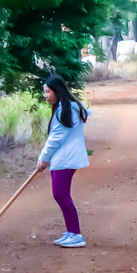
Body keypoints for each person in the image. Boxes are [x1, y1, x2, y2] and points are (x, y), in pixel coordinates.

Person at [36, 75, 90, 248]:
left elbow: (56, 138)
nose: (45, 96)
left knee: (60, 194)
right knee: (61, 195)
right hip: (62, 158)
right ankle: (72, 232)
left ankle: (76, 235)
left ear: (57, 91)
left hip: (66, 159)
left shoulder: (67, 110)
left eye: (47, 92)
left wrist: (43, 158)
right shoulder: (65, 108)